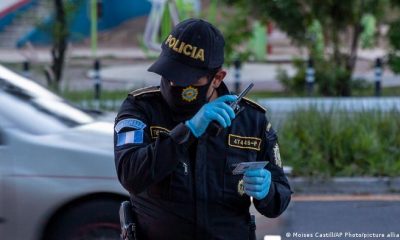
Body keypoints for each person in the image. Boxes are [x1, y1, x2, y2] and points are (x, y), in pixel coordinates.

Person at [114, 18, 292, 240]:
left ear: (217, 78)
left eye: (185, 79)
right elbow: (130, 175)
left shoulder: (251, 121)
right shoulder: (141, 108)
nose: (173, 85)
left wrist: (267, 191)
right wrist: (187, 131)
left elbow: (280, 199)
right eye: (168, 74)